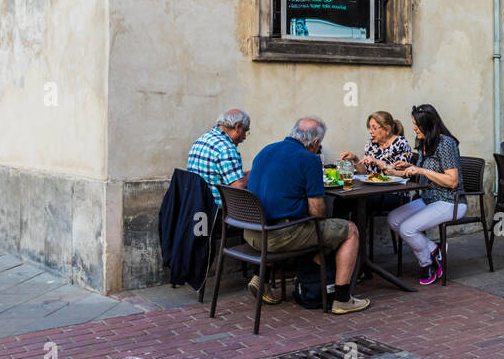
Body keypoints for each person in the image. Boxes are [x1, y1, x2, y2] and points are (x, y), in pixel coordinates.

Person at [246, 118, 369, 313]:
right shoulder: (309, 159)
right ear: (315, 143)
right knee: (350, 230)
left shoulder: (266, 150)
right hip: (278, 236)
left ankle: (261, 277)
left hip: (252, 232)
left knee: (307, 224)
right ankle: (342, 299)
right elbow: (318, 212)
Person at [389, 103, 463, 286]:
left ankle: (426, 264)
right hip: (429, 198)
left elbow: (452, 181)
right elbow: (421, 171)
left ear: (429, 125)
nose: (413, 128)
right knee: (393, 219)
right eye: (413, 123)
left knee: (407, 228)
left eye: (417, 124)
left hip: (450, 201)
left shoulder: (445, 143)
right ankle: (433, 249)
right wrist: (393, 169)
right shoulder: (424, 142)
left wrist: (421, 171)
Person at [186, 108, 251, 208]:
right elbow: (238, 189)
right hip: (217, 213)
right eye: (245, 131)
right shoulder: (226, 148)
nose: (245, 137)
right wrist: (256, 175)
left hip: (196, 206)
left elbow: (222, 175)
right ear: (237, 127)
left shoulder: (201, 140)